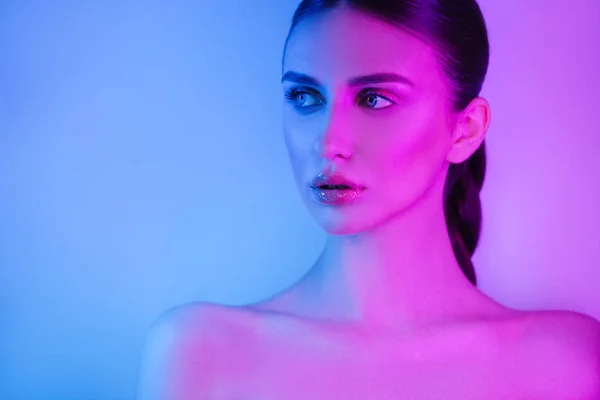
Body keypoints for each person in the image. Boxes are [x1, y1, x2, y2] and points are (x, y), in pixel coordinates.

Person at [136, 1, 600, 398]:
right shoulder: (203, 353)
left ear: (467, 129)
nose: (329, 141)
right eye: (304, 96)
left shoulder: (564, 362)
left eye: (375, 99)